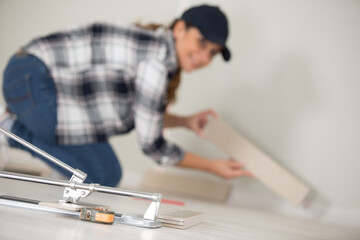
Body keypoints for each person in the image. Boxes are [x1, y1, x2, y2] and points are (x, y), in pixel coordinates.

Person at [0, 5, 251, 187]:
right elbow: (153, 146)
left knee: (106, 174)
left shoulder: (156, 52)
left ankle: (15, 125)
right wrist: (213, 167)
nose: (205, 57)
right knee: (55, 135)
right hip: (30, 78)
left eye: (213, 53)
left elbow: (145, 115)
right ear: (180, 29)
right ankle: (8, 128)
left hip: (40, 85)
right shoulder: (156, 63)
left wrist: (185, 122)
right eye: (202, 43)